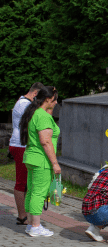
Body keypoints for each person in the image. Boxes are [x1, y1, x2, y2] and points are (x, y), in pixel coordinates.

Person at [20, 86, 60, 237]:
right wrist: (55, 163)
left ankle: (31, 224)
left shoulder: (35, 113)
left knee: (31, 191)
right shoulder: (43, 116)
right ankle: (36, 226)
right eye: (55, 99)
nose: (56, 102)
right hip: (42, 160)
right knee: (39, 193)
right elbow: (46, 141)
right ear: (48, 100)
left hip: (32, 157)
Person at [9, 82, 44, 225]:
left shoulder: (21, 101)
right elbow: (34, 122)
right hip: (20, 145)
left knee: (26, 182)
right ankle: (22, 216)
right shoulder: (24, 104)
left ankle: (25, 214)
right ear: (35, 94)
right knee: (22, 182)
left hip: (20, 144)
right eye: (40, 99)